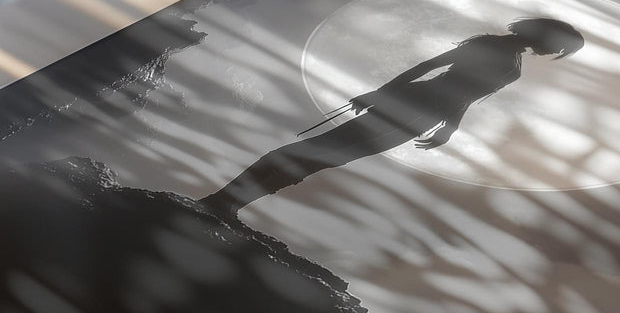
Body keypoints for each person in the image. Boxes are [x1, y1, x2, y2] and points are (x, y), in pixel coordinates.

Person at [200, 17, 584, 215]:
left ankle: (230, 203)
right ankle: (222, 200)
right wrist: (380, 94)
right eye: (561, 46)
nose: (556, 52)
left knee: (328, 157)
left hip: (422, 114)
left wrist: (449, 127)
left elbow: (464, 96)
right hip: (413, 106)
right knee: (322, 150)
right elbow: (429, 67)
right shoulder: (491, 47)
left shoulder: (511, 59)